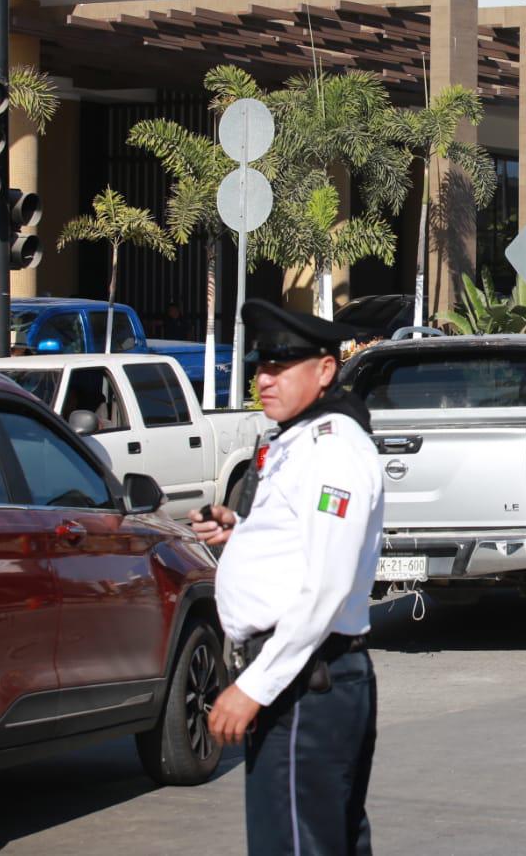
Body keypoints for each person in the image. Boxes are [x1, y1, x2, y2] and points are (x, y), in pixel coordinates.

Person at [189, 300, 381, 856]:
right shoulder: (302, 439)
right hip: (304, 677)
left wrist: (253, 687)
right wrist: (241, 532)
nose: (263, 379)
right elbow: (301, 542)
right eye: (260, 366)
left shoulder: (332, 451)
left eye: (280, 366)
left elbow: (326, 586)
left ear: (324, 370)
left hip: (305, 682)